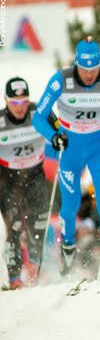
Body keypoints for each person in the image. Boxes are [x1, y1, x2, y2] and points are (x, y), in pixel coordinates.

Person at [33, 38, 100, 279]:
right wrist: (53, 136)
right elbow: (38, 117)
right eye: (84, 69)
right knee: (70, 206)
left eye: (94, 69)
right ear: (76, 64)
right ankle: (67, 244)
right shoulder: (61, 80)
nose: (89, 75)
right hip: (70, 147)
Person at [0, 78, 54, 288]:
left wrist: (61, 138)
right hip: (8, 179)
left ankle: (35, 261)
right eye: (14, 102)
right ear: (6, 101)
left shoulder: (39, 113)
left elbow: (60, 130)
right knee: (13, 226)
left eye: (24, 101)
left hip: (34, 175)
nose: (19, 107)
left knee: (39, 222)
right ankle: (14, 278)